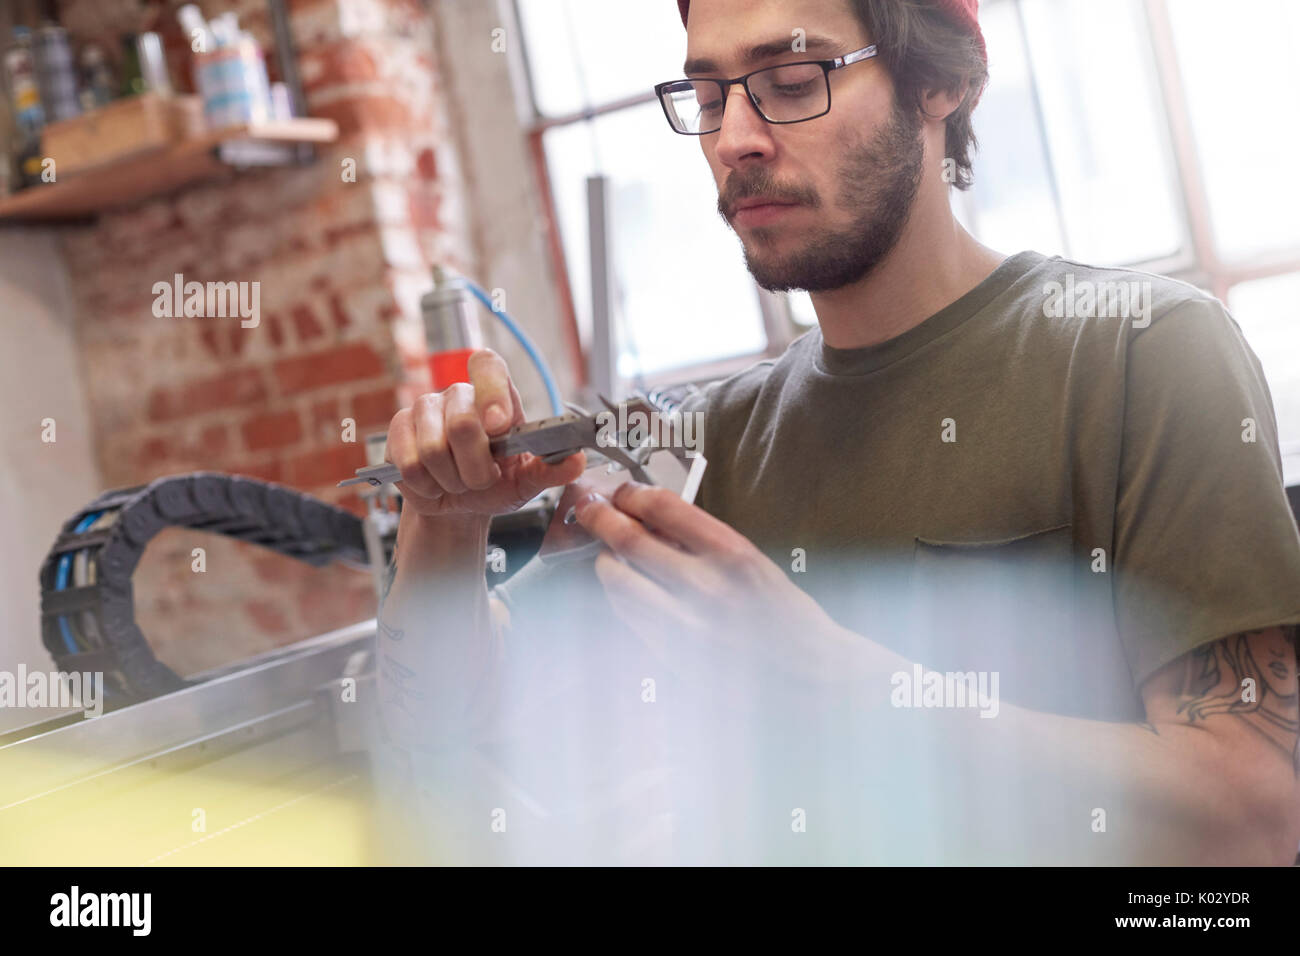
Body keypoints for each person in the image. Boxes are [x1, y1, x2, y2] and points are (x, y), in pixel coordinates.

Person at [373, 0, 1300, 864]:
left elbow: (1261, 816)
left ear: (941, 82)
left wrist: (838, 685)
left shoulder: (1139, 354)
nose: (734, 139)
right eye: (706, 97)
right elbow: (440, 742)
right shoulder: (715, 438)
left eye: (791, 80)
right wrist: (444, 527)